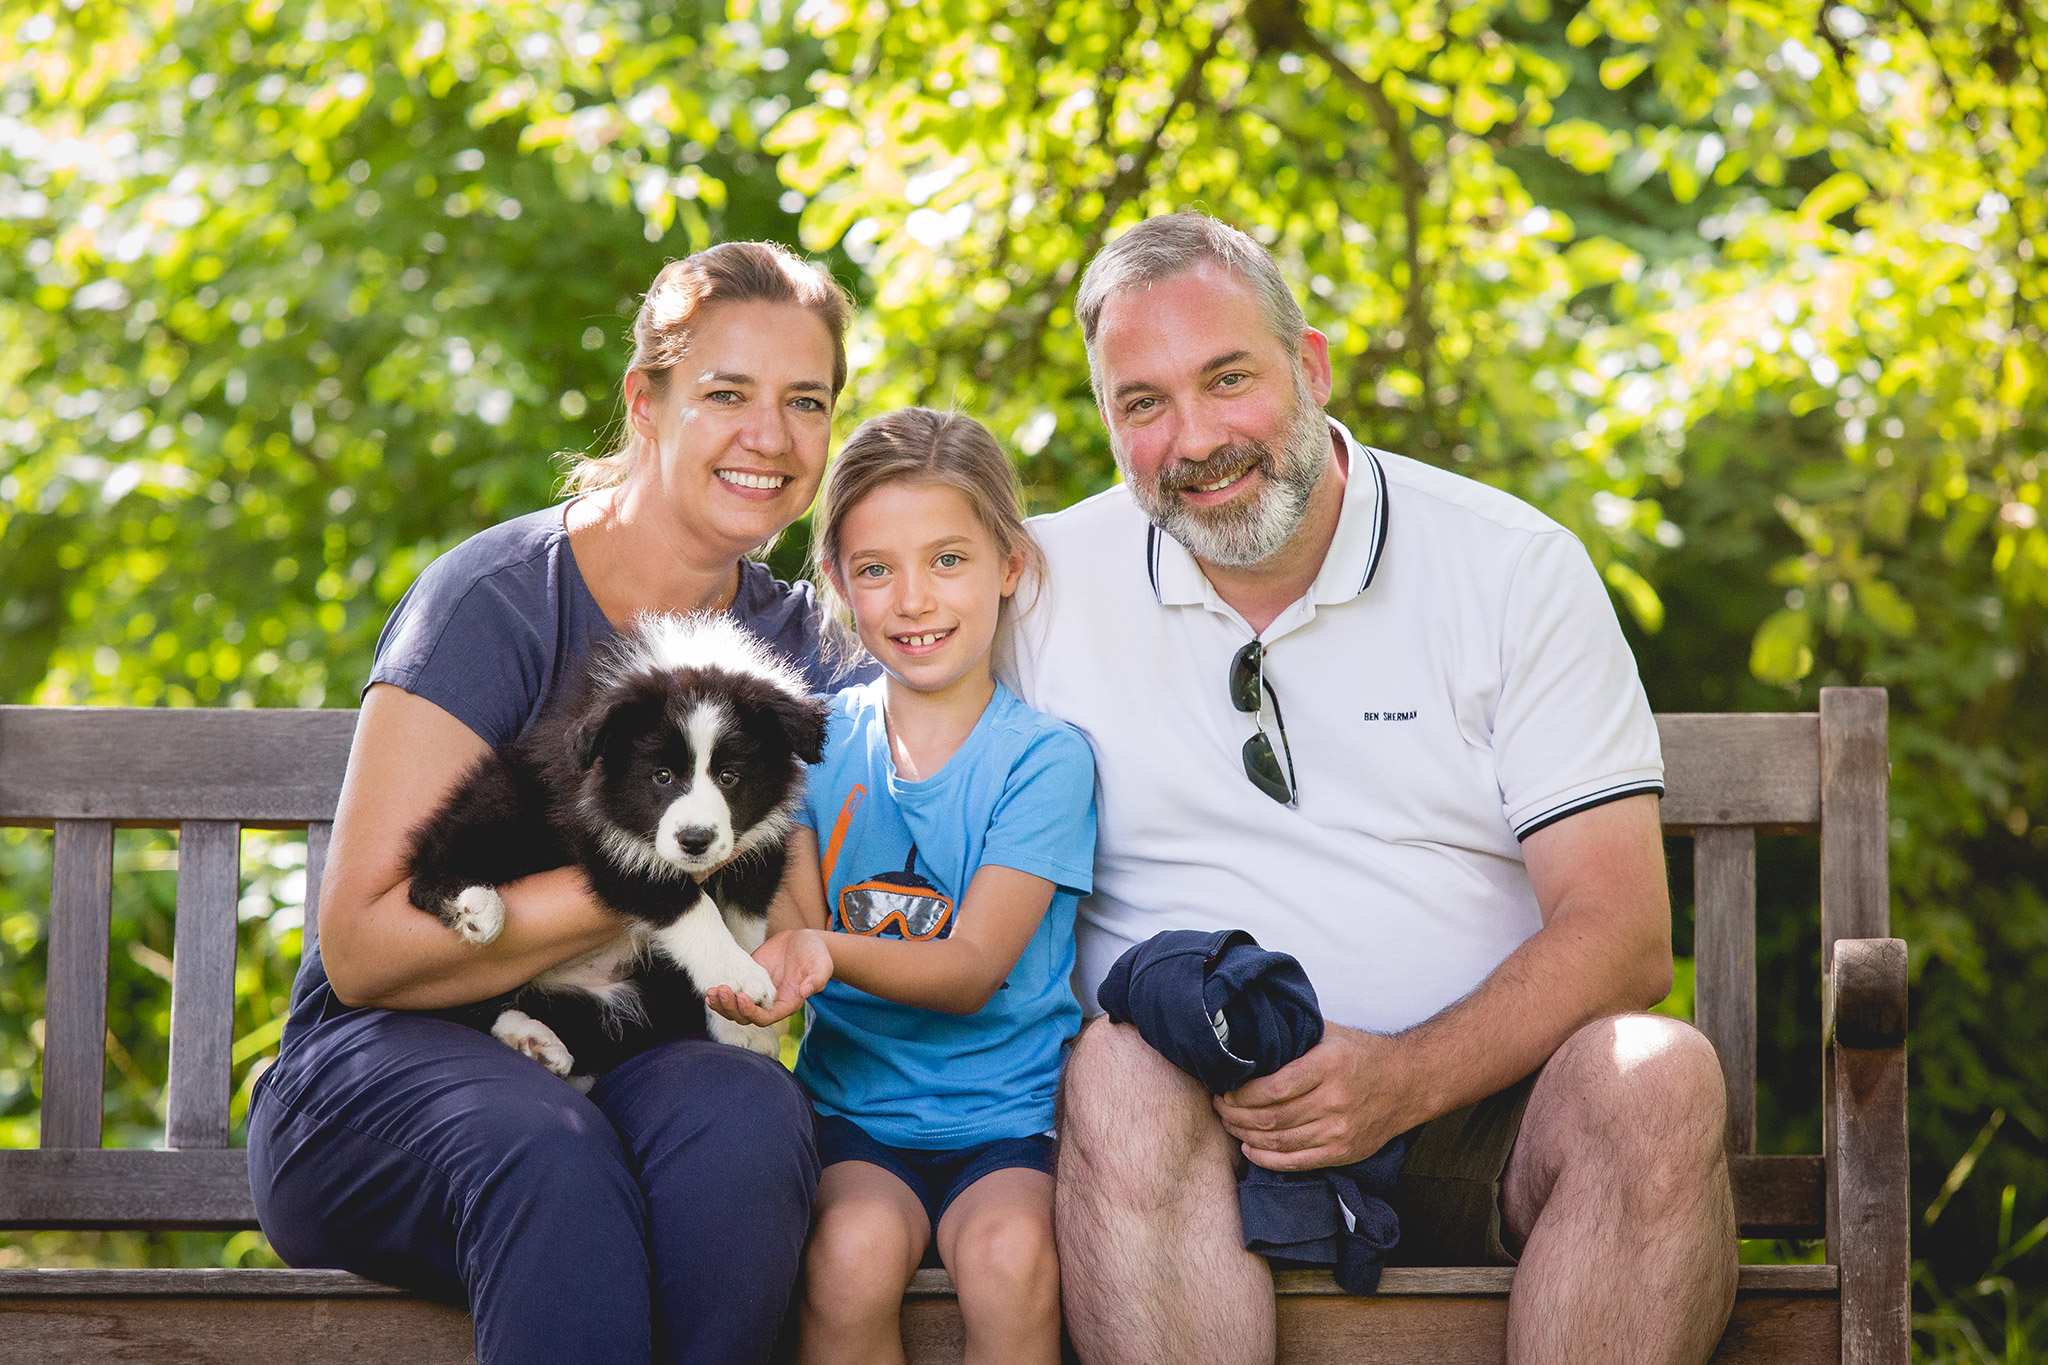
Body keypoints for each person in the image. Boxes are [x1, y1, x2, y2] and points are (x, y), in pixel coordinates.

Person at [1007, 213, 1739, 1364]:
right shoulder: (1037, 589)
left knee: (1655, 1078)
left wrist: (1402, 1078)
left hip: (1481, 1113)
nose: (1192, 438)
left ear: (1308, 367)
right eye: (1139, 403)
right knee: (1114, 1069)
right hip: (1186, 1122)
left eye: (1227, 378)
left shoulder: (1507, 567)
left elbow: (1622, 933)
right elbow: (862, 751)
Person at [247, 241, 866, 1365]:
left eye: (805, 402)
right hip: (392, 1067)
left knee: (746, 1130)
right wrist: (655, 877)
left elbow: (808, 907)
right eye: (726, 393)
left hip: (633, 1057)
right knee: (552, 1154)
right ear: (646, 400)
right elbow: (366, 950)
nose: (770, 438)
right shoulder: (496, 600)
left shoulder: (806, 648)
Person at [706, 408, 1097, 1365]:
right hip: (855, 1118)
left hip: (1011, 1121)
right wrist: (765, 969)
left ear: (1010, 566)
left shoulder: (1043, 761)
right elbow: (792, 929)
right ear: (838, 582)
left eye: (948, 560)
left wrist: (821, 950)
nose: (913, 598)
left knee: (1010, 1257)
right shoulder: (811, 744)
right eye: (876, 568)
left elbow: (968, 969)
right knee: (847, 1252)